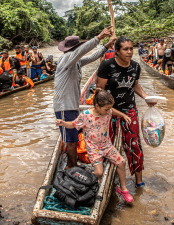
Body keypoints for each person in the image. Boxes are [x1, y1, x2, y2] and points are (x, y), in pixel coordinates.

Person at [96, 36, 156, 187]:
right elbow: (99, 90)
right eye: (125, 49)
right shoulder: (107, 66)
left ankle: (139, 181)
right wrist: (105, 110)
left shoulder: (136, 66)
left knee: (134, 144)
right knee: (106, 144)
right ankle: (104, 178)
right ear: (117, 51)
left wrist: (146, 97)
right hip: (109, 111)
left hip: (129, 110)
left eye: (131, 48)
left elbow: (135, 86)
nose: (129, 52)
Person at [54, 26, 115, 169]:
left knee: (74, 137)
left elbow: (91, 57)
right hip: (64, 106)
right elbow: (83, 51)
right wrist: (99, 37)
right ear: (75, 49)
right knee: (71, 139)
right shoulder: (66, 59)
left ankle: (73, 164)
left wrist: (106, 46)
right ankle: (71, 166)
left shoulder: (75, 62)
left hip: (72, 105)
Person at [56, 89, 133, 203]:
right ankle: (82, 182)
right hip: (94, 149)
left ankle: (123, 189)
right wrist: (63, 123)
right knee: (99, 173)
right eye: (106, 109)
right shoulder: (85, 115)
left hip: (107, 146)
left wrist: (123, 115)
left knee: (121, 162)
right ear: (97, 106)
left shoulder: (108, 111)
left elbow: (113, 111)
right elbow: (73, 124)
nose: (108, 112)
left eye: (109, 109)